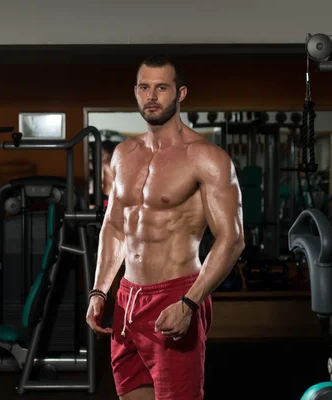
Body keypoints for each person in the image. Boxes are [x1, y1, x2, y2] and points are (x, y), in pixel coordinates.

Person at [86, 55, 245, 400]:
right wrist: (100, 290)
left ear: (181, 93)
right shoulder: (123, 154)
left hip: (176, 293)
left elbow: (231, 240)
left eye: (162, 87)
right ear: (136, 92)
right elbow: (115, 228)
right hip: (127, 299)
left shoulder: (206, 157)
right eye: (145, 87)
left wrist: (189, 303)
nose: (152, 96)